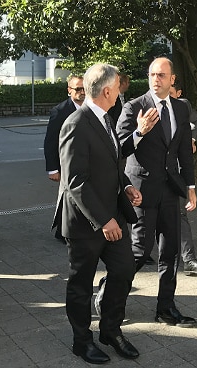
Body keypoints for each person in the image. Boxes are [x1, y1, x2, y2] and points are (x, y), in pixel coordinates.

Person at [53, 63, 142, 364]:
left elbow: (112, 164)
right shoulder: (76, 123)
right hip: (86, 223)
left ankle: (111, 331)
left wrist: (127, 186)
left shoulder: (107, 118)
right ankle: (82, 341)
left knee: (124, 270)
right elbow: (75, 180)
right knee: (81, 284)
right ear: (107, 91)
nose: (121, 92)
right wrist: (104, 220)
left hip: (113, 215)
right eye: (118, 87)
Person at [117, 57, 197, 327]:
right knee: (140, 252)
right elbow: (118, 148)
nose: (156, 79)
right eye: (152, 74)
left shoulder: (180, 109)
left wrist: (190, 186)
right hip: (141, 191)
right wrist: (139, 131)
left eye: (162, 75)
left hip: (170, 190)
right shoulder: (134, 106)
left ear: (172, 79)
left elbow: (184, 151)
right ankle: (110, 294)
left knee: (170, 251)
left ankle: (165, 308)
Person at [168, 81, 197, 275]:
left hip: (175, 176)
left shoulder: (183, 107)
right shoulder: (144, 108)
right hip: (152, 178)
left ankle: (189, 259)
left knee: (180, 215)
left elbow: (195, 121)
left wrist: (191, 140)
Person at [43, 74, 84, 243]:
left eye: (84, 88)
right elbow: (50, 141)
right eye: (78, 89)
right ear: (69, 90)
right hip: (65, 164)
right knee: (67, 197)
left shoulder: (91, 107)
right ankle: (61, 231)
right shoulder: (60, 111)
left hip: (84, 162)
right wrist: (52, 169)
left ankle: (75, 228)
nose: (82, 92)